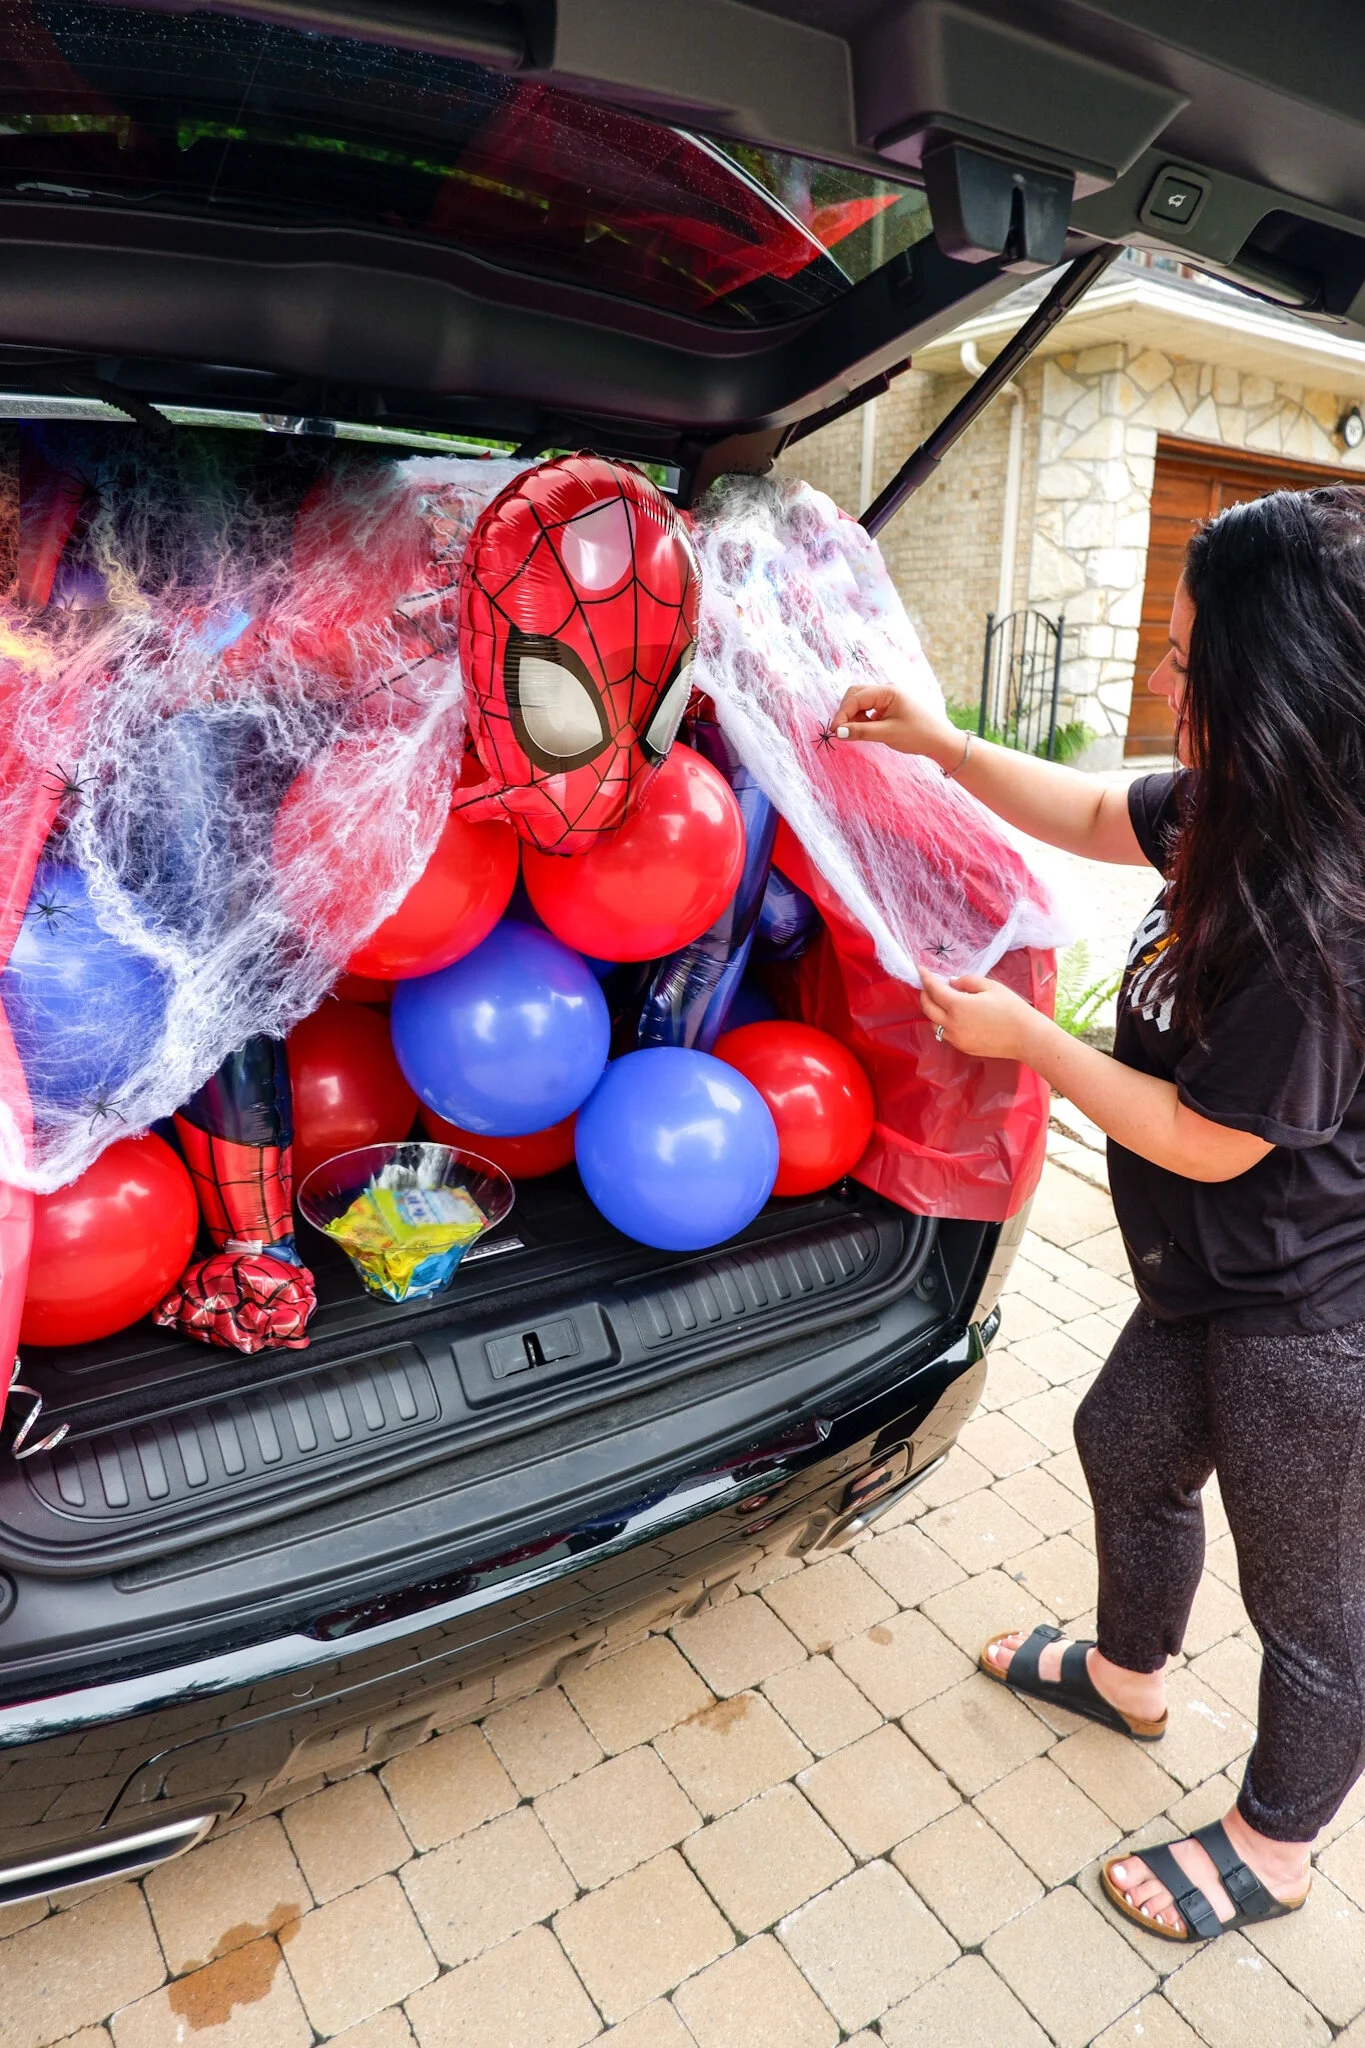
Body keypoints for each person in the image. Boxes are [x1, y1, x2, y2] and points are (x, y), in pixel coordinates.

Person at [832, 485, 1365, 1946]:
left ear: (1279, 686)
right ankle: (1132, 1675)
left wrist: (1034, 1044)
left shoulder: (1319, 917)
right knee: (1123, 1441)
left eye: (1188, 664)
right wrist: (939, 747)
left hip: (1309, 1319)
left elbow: (1210, 1140)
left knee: (1312, 1603)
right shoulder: (1236, 806)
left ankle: (1278, 1841)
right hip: (1210, 1277)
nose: (1158, 683)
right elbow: (1085, 807)